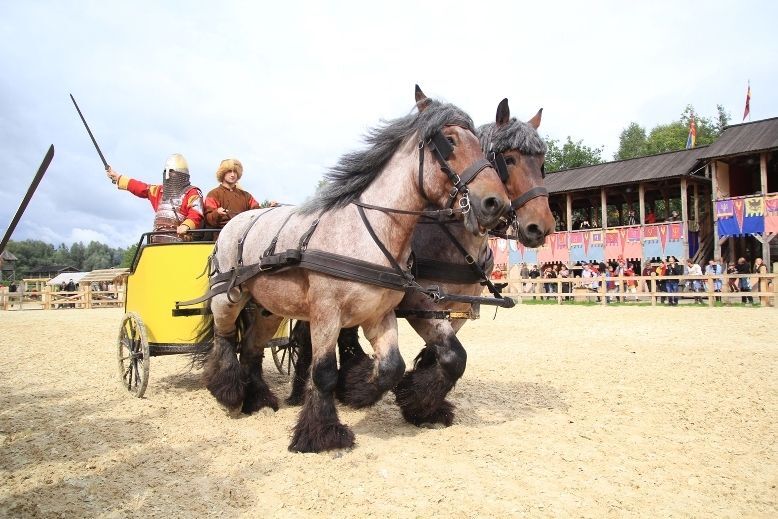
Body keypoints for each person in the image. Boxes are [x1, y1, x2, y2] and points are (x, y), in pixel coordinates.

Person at [107, 153, 204, 243]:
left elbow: (196, 212)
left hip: (181, 243)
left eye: (171, 172)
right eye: (166, 171)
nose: (168, 175)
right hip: (156, 243)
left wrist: (186, 225)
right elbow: (141, 188)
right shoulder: (159, 191)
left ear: (182, 175)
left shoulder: (192, 192)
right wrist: (119, 178)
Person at [204, 158, 277, 234]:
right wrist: (217, 213)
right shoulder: (213, 194)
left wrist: (269, 209)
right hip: (221, 237)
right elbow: (208, 221)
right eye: (229, 171)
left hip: (244, 236)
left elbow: (257, 212)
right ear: (223, 173)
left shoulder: (246, 196)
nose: (233, 175)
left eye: (235, 172)